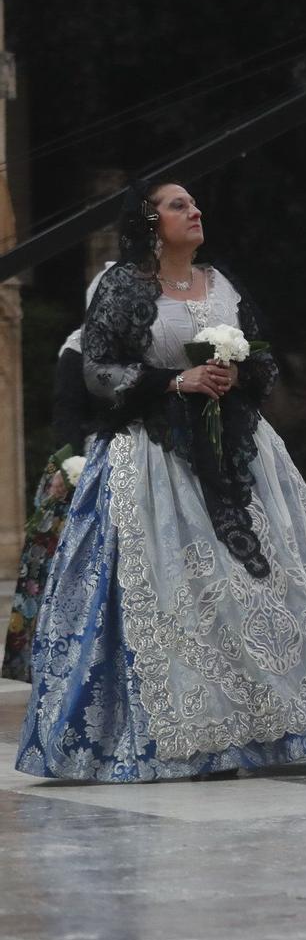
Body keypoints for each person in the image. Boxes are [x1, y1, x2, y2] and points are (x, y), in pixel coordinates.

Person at [15, 183, 306, 781]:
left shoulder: (221, 282)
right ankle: (187, 733)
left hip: (241, 453)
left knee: (263, 585)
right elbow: (98, 369)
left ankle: (269, 725)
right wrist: (177, 380)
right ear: (150, 223)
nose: (195, 211)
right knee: (184, 588)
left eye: (195, 203)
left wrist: (235, 369)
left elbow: (264, 357)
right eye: (178, 205)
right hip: (156, 456)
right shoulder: (125, 285)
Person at [6, 263, 112, 682]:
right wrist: (74, 467)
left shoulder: (147, 348)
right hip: (85, 462)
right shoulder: (78, 347)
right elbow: (66, 412)